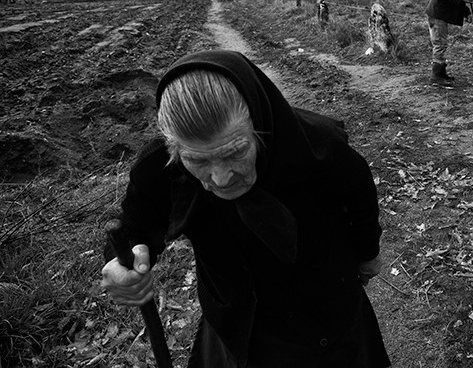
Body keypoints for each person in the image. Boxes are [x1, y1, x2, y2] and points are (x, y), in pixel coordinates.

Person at [100, 50, 390, 368]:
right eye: (198, 160)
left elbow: (359, 191)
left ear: (259, 124)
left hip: (323, 311)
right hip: (235, 319)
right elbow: (135, 228)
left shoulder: (317, 148)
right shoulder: (161, 166)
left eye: (235, 151)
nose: (221, 178)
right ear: (174, 148)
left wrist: (368, 252)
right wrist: (125, 262)